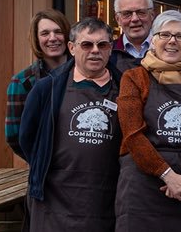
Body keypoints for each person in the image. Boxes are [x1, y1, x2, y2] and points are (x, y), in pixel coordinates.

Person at [113, 11, 181, 230]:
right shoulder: (133, 78)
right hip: (143, 189)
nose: (172, 41)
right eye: (165, 35)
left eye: (180, 36)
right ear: (153, 41)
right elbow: (132, 134)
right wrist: (167, 175)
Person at [20, 18, 124, 232]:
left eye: (102, 45)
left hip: (106, 196)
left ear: (110, 49)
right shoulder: (46, 89)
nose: (95, 51)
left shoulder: (126, 90)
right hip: (54, 197)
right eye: (87, 44)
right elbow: (26, 138)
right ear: (72, 48)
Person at [9, 9, 72, 160]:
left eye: (58, 32)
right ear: (36, 39)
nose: (53, 38)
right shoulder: (23, 82)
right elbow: (14, 136)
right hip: (46, 170)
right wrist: (40, 162)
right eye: (45, 33)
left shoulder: (85, 74)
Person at [112, 0, 157, 72]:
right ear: (118, 19)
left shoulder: (168, 51)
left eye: (141, 12)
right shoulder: (108, 54)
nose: (134, 19)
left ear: (152, 15)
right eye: (127, 14)